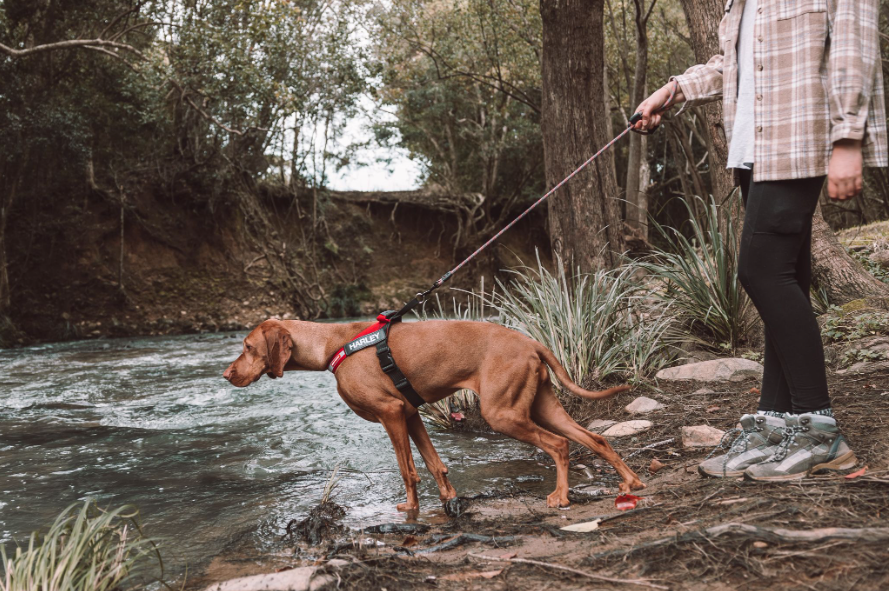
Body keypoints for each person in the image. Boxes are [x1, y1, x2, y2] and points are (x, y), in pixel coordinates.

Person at [634, 0, 887, 480]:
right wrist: (672, 90)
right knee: (782, 280)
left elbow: (854, 44)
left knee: (761, 271)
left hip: (799, 142)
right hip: (755, 148)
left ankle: (820, 432)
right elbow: (735, 64)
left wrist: (848, 139)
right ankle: (776, 423)